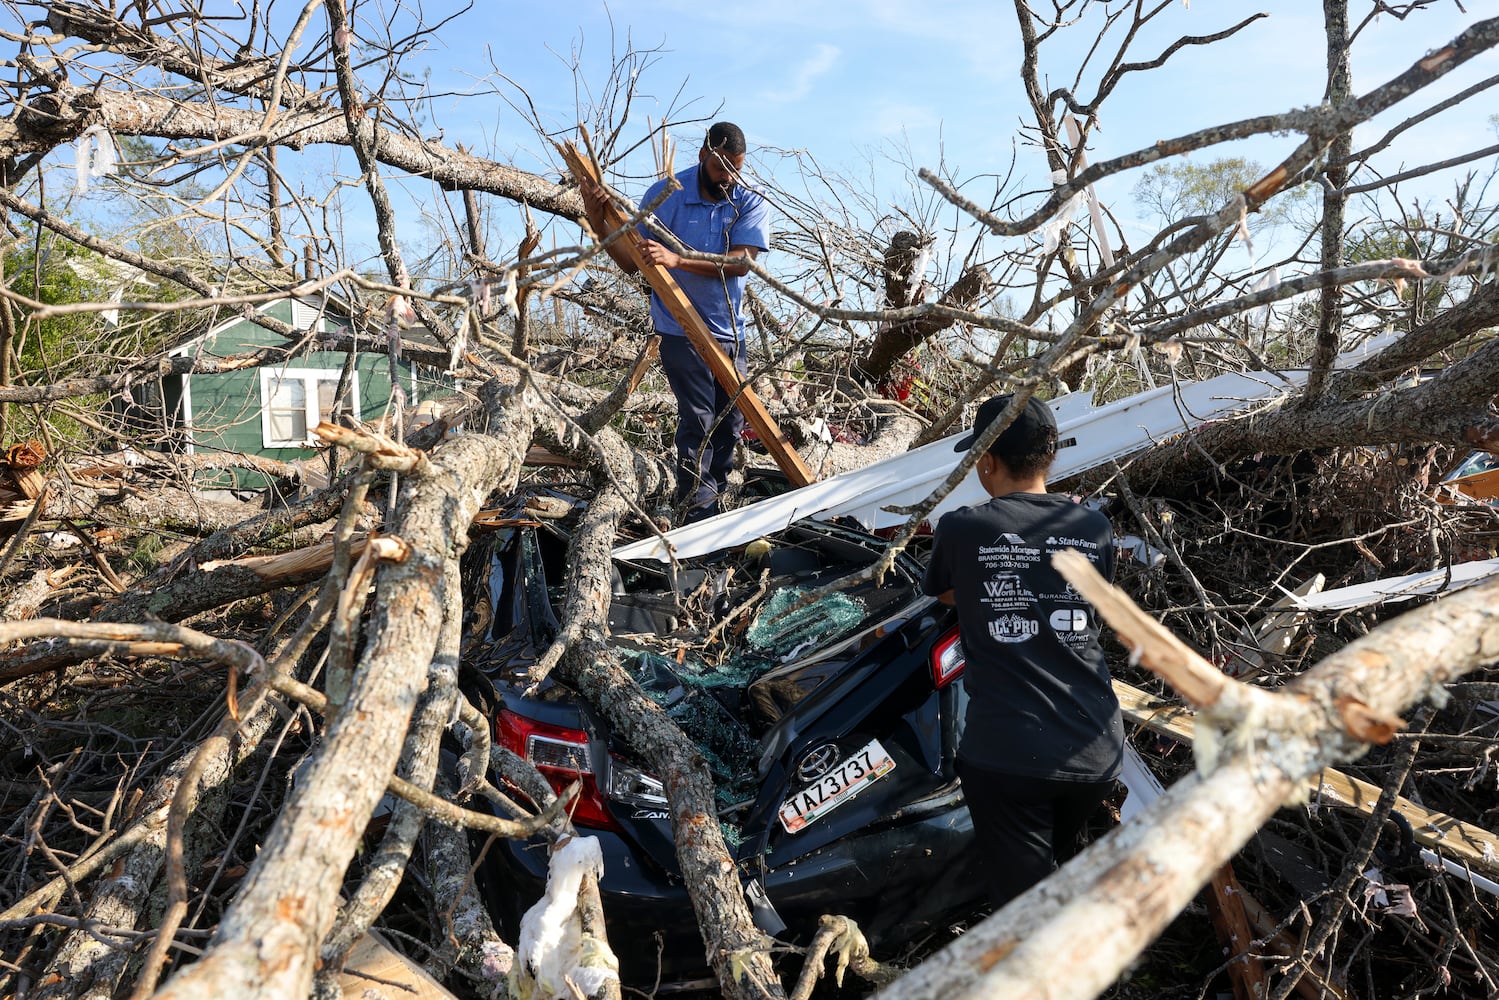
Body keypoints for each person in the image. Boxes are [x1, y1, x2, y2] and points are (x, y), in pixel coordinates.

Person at [922, 393, 1123, 909]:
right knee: (1053, 878)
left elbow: (948, 592)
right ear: (1048, 458)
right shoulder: (1096, 530)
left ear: (986, 461)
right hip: (1096, 747)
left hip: (1008, 756)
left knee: (1024, 912)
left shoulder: (964, 528)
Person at [580, 121, 771, 523]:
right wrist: (597, 219)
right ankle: (697, 511)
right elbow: (631, 262)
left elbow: (740, 264)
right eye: (722, 169)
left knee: (732, 422)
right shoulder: (666, 196)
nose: (728, 178)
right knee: (698, 419)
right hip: (679, 329)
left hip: (728, 331)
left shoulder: (749, 199)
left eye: (736, 168)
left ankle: (716, 500)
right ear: (703, 156)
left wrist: (678, 259)